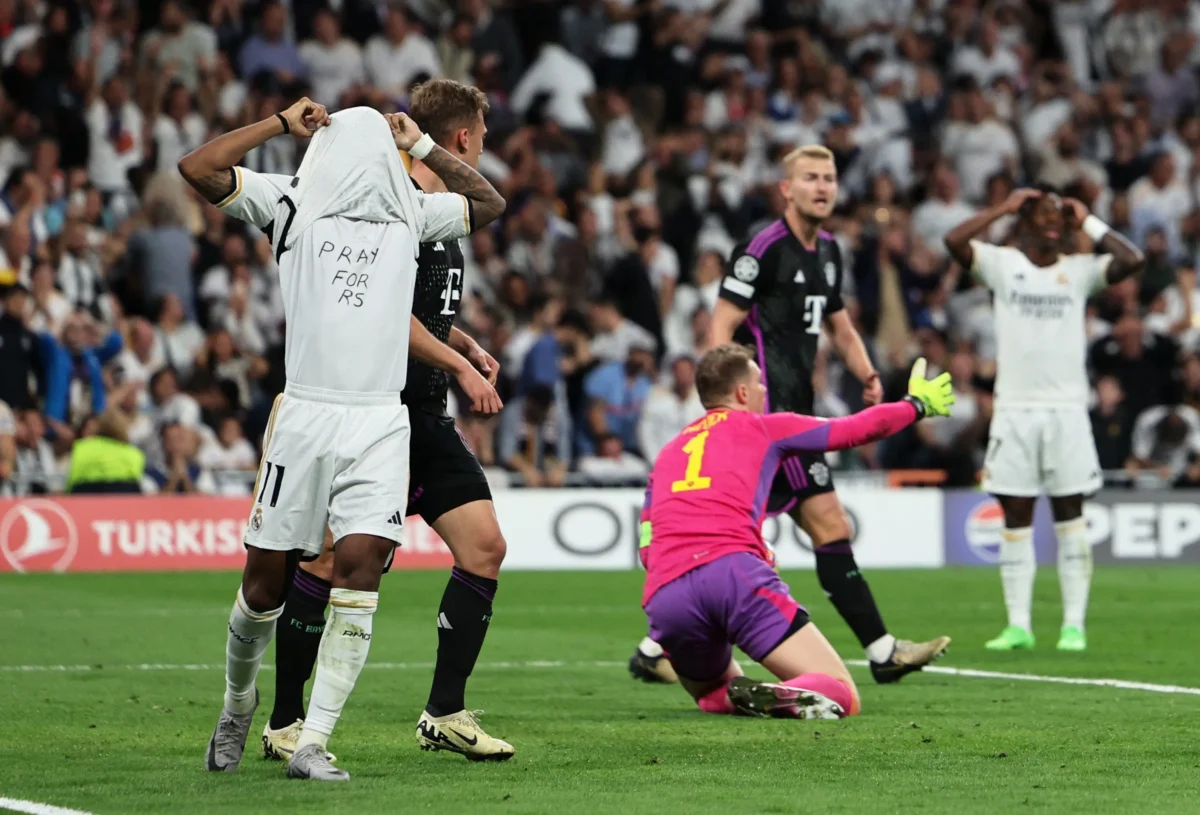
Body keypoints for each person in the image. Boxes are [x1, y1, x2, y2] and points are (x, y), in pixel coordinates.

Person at [178, 96, 505, 782]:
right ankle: (242, 700)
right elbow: (198, 166)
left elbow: (490, 200)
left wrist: (423, 143)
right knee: (266, 582)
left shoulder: (409, 214)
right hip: (306, 414)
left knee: (361, 568)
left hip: (382, 419)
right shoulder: (292, 202)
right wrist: (276, 124)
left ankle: (311, 740)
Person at [263, 79, 515, 764]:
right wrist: (460, 367)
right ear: (464, 137)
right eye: (482, 136)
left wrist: (459, 342)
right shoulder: (388, 200)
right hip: (380, 412)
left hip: (424, 415)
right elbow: (384, 314)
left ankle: (445, 711)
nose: (484, 146)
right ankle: (285, 720)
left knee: (483, 547)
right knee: (326, 560)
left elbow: (419, 307)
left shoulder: (432, 207)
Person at [632, 145, 951, 687]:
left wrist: (867, 371)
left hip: (792, 413)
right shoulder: (763, 248)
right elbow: (722, 325)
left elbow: (841, 325)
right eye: (810, 178)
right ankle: (880, 651)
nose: (823, 186)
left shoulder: (828, 251)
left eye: (828, 178)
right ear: (787, 189)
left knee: (802, 523)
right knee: (823, 522)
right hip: (767, 420)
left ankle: (656, 644)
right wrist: (724, 405)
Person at [641, 344, 954, 719]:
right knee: (842, 694)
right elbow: (854, 429)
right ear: (741, 393)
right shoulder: (764, 427)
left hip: (666, 594)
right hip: (733, 575)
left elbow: (646, 544)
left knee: (712, 694)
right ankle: (788, 692)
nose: (763, 391)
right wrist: (915, 406)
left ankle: (756, 694)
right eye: (758, 383)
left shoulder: (668, 453)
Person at [944, 187, 1145, 652]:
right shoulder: (1002, 263)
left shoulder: (1078, 271)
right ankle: (1019, 625)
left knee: (1070, 516)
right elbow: (954, 242)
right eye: (1044, 214)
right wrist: (1003, 207)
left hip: (1067, 412)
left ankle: (1073, 625)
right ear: (1026, 221)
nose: (1053, 222)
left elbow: (1131, 260)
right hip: (1014, 410)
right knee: (1015, 516)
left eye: (1060, 215)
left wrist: (1088, 220)